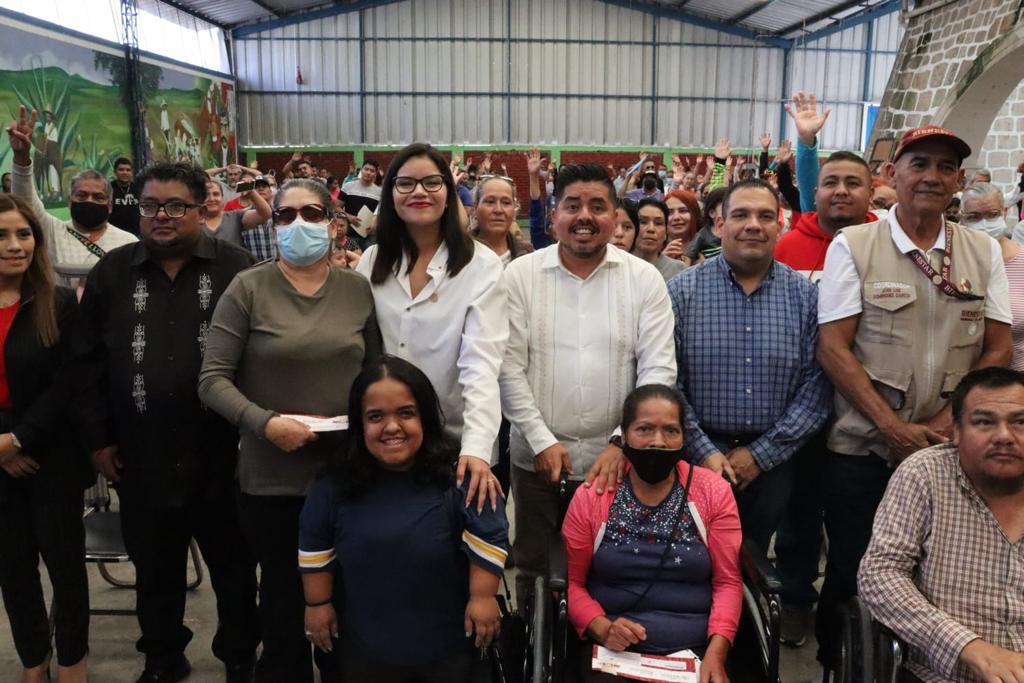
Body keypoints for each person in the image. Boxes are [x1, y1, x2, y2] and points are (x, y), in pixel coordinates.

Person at [815, 125, 1013, 669]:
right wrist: (892, 428)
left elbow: (997, 347)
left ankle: (923, 668)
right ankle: (842, 666)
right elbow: (833, 348)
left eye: (945, 167)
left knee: (941, 571)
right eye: (919, 164)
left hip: (951, 450)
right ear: (892, 174)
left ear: (958, 181)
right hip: (864, 448)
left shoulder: (982, 251)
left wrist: (950, 423)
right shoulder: (854, 245)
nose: (932, 176)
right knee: (855, 569)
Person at [76, 163, 259, 683]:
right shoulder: (112, 273)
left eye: (176, 205)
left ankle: (240, 657)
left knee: (235, 570)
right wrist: (99, 439)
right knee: (155, 570)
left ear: (201, 209)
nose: (162, 216)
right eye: (151, 205)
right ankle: (162, 658)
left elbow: (262, 355)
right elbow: (85, 364)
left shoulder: (237, 269)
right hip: (140, 455)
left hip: (224, 455)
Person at [198, 177, 381, 683]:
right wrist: (265, 423)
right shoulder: (248, 288)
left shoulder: (356, 290)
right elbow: (212, 380)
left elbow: (376, 373)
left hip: (346, 476)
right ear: (273, 223)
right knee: (283, 609)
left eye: (312, 214)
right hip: (272, 480)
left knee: (346, 607)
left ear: (334, 224)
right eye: (286, 215)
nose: (299, 224)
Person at [499, 162, 676, 607]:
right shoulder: (520, 276)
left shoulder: (644, 279)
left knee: (611, 568)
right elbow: (507, 368)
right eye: (573, 205)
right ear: (553, 214)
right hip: (536, 459)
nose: (585, 216)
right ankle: (533, 640)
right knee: (535, 568)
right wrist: (540, 439)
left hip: (616, 462)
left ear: (616, 216)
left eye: (598, 206)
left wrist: (622, 442)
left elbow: (657, 370)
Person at [299, 355, 508, 682]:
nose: (392, 426)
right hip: (365, 651)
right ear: (359, 424)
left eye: (406, 413)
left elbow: (490, 533)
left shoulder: (459, 478)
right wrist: (317, 604)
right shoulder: (333, 485)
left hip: (448, 650)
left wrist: (483, 598)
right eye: (376, 416)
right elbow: (315, 544)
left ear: (425, 417)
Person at [670, 178, 829, 554]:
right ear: (719, 223)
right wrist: (704, 451)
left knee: (754, 560)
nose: (753, 225)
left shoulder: (805, 298)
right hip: (696, 457)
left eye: (765, 216)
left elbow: (817, 385)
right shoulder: (681, 292)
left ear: (780, 225)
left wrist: (761, 455)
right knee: (692, 560)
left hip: (774, 462)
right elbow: (668, 381)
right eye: (741, 215)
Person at [772, 104, 878, 646]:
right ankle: (795, 597)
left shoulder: (886, 245)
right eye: (830, 183)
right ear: (814, 193)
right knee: (800, 509)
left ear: (872, 192)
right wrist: (807, 144)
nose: (840, 192)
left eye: (853, 184)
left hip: (867, 407)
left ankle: (852, 608)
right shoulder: (789, 246)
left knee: (856, 518)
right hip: (803, 405)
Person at [355, 143, 507, 512]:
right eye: (406, 183)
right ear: (390, 193)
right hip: (386, 439)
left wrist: (476, 447)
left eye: (432, 182)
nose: (419, 192)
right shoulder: (372, 260)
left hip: (452, 439)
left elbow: (481, 363)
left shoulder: (481, 266)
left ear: (449, 192)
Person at [563, 384, 741, 682]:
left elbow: (728, 582)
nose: (658, 442)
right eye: (644, 429)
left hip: (697, 646)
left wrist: (717, 652)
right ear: (624, 436)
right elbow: (570, 583)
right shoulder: (593, 495)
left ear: (684, 437)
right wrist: (603, 628)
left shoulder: (713, 492)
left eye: (671, 430)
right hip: (612, 646)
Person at [858, 367, 1024, 683]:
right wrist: (970, 647)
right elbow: (879, 574)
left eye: (1020, 422)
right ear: (956, 431)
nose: (1004, 435)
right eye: (984, 422)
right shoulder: (925, 474)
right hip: (941, 674)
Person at [0, 195, 89, 683]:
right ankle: (34, 660)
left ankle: (73, 660)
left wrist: (20, 440)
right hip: (0, 457)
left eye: (24, 234)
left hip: (51, 455)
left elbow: (67, 383)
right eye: (2, 235)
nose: (15, 246)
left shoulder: (58, 304)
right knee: (13, 569)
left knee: (65, 567)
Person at [7, 106, 137, 280]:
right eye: (81, 196)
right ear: (69, 201)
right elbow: (26, 203)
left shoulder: (129, 243)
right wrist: (22, 157)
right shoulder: (52, 232)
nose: (89, 201)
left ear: (110, 206)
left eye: (98, 197)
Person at [960, 183, 1024, 372]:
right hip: (963, 379)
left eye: (992, 215)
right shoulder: (954, 262)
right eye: (974, 217)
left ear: (1004, 212)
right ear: (962, 219)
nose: (984, 223)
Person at [471, 175, 534, 267]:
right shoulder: (459, 253)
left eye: (506, 203)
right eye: (490, 202)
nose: (498, 210)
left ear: (514, 210)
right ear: (475, 208)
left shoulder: (527, 255)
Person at [201, 179, 272, 248]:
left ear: (222, 198)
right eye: (206, 195)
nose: (211, 199)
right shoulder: (196, 221)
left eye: (216, 194)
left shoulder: (235, 217)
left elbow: (265, 214)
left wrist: (251, 192)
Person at [630, 198, 685, 281]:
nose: (651, 229)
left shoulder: (679, 270)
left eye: (658, 223)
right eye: (643, 222)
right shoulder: (619, 266)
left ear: (666, 233)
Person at [663, 190, 702, 263]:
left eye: (683, 211)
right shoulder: (652, 249)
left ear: (695, 213)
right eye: (669, 212)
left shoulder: (710, 247)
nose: (676, 217)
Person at [110, 157, 140, 236]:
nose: (125, 172)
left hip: (136, 234)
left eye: (128, 170)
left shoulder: (138, 188)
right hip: (114, 233)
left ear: (132, 172)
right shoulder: (108, 188)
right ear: (115, 172)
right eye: (121, 170)